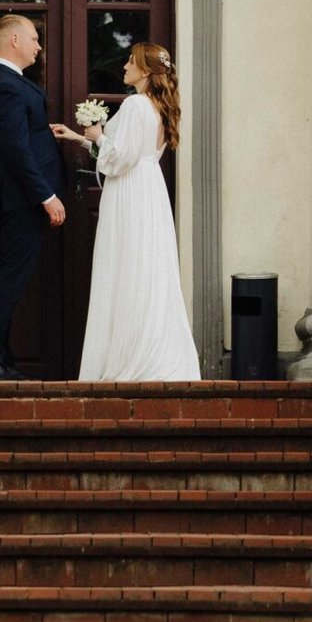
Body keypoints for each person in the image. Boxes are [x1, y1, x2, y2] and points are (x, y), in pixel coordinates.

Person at [53, 42, 200, 382]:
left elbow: (119, 159)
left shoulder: (135, 104)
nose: (124, 67)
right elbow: (131, 151)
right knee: (145, 267)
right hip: (149, 190)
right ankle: (148, 348)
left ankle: (128, 359)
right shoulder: (159, 106)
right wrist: (80, 138)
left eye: (131, 62)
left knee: (125, 266)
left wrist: (97, 135)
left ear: (145, 70)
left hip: (130, 191)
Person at [0, 12, 67, 380]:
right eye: (34, 39)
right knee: (9, 279)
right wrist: (46, 195)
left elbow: (17, 138)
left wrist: (42, 133)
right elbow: (14, 150)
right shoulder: (4, 86)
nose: (39, 47)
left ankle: (0, 358)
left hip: (15, 197)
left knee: (8, 277)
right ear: (14, 41)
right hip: (21, 199)